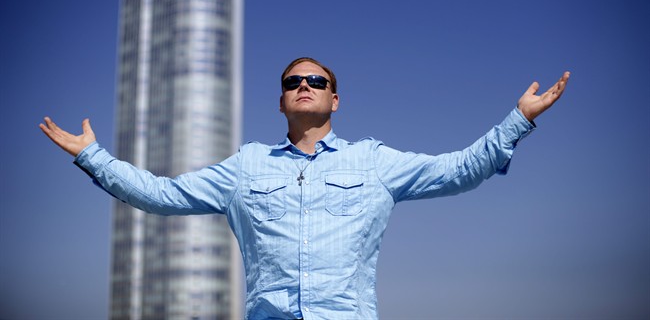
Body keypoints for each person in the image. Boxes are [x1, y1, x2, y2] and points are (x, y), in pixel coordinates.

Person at [40, 57, 570, 320]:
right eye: (292, 82)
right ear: (281, 101)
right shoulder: (247, 165)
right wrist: (92, 155)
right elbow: (163, 195)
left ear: (334, 100)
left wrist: (518, 119)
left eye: (316, 81)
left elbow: (460, 170)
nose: (303, 86)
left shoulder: (373, 160)